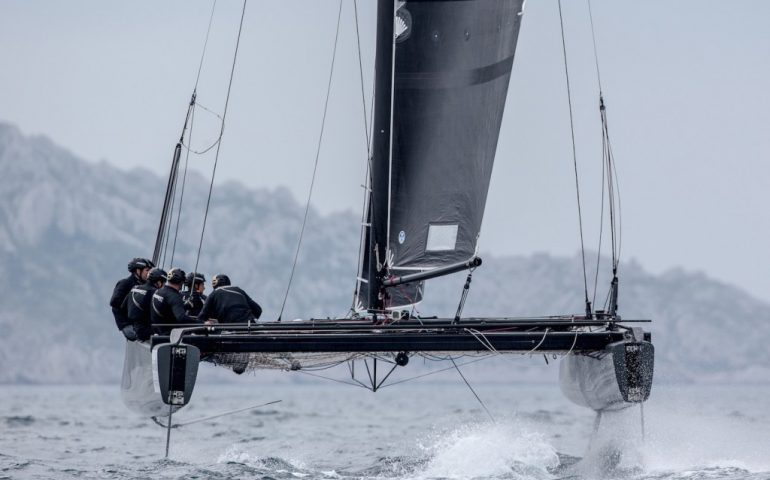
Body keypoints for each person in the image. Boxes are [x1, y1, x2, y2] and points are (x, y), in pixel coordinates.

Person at [110, 257, 153, 340]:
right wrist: (132, 303)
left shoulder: (146, 285)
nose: (149, 273)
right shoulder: (125, 283)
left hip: (140, 323)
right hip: (127, 324)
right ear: (138, 271)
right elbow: (114, 302)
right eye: (147, 270)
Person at [197, 274, 262, 324]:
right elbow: (258, 310)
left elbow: (201, 317)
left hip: (231, 330)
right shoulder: (239, 290)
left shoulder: (214, 293)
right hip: (251, 325)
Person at [126, 267, 166, 341]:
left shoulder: (135, 288)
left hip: (134, 328)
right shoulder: (154, 293)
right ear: (159, 282)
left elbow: (124, 306)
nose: (164, 286)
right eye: (163, 283)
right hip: (146, 332)